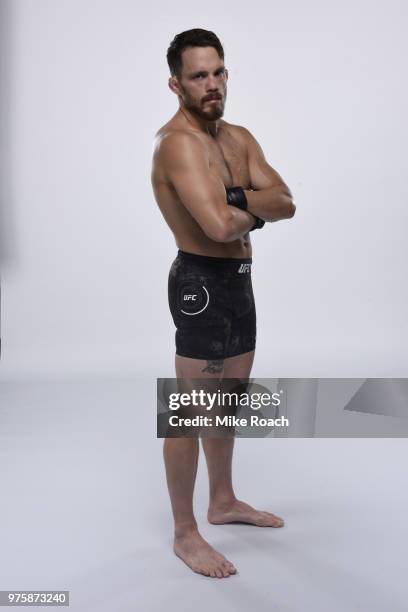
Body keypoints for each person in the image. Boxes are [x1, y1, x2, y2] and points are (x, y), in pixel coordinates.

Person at [151, 28, 296, 579]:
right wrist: (245, 206)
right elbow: (213, 227)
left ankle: (223, 500)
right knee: (189, 407)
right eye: (197, 76)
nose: (211, 85)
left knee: (227, 398)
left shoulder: (238, 137)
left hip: (238, 278)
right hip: (200, 284)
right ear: (176, 84)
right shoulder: (178, 144)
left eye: (217, 72)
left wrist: (238, 200)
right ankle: (186, 533)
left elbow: (286, 200)